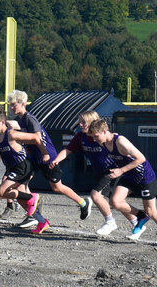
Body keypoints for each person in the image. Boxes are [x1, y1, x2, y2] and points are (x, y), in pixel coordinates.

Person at [49, 111, 146, 237]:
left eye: (84, 122)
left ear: (92, 122)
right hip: (100, 172)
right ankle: (136, 221)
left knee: (95, 195)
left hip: (113, 171)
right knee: (116, 202)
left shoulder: (102, 136)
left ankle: (110, 222)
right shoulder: (80, 137)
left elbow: (117, 143)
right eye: (80, 121)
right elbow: (68, 150)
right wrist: (56, 160)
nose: (81, 124)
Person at [87, 119, 157, 246]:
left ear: (104, 131)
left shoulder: (120, 141)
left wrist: (120, 170)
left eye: (96, 136)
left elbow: (141, 158)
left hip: (144, 177)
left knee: (151, 211)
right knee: (115, 201)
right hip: (129, 176)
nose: (95, 140)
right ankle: (141, 216)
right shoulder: (104, 143)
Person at [7, 90, 93, 222]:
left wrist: (46, 154)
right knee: (22, 182)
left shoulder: (30, 118)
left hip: (46, 156)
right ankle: (33, 214)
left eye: (14, 104)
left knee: (56, 186)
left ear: (23, 104)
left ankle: (83, 203)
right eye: (10, 105)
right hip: (34, 157)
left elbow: (38, 138)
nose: (11, 107)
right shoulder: (19, 120)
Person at [0, 109, 51, 234]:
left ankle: (33, 197)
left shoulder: (11, 134)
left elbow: (36, 138)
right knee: (21, 199)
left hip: (22, 166)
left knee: (1, 191)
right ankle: (42, 222)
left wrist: (45, 153)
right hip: (12, 168)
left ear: (3, 122)